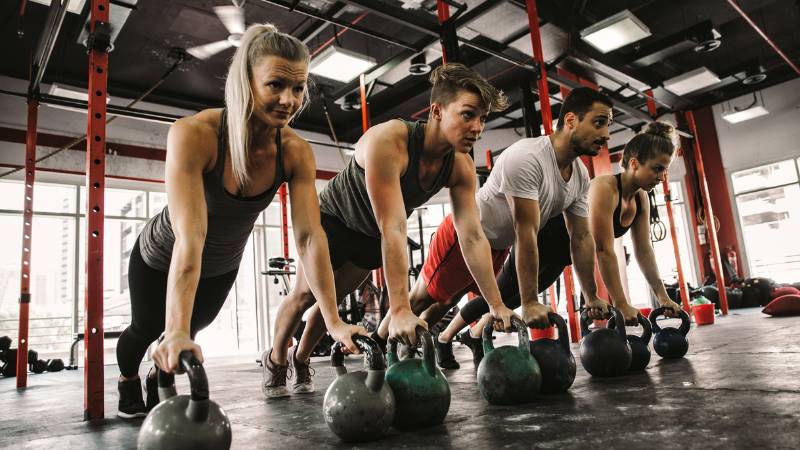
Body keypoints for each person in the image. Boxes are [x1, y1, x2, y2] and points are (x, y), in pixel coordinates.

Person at [115, 23, 364, 418]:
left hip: (221, 263)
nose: (289, 100)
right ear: (246, 81)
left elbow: (310, 237)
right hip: (164, 253)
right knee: (147, 327)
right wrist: (173, 328)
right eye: (276, 85)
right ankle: (128, 380)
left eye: (298, 88)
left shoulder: (295, 151)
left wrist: (333, 322)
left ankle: (156, 370)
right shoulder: (195, 134)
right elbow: (190, 235)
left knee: (192, 330)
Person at [264, 63, 517, 397]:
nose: (478, 127)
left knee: (336, 299)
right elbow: (394, 226)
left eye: (482, 119)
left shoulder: (460, 167)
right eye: (468, 115)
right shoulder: (390, 141)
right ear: (437, 111)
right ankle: (277, 360)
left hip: (370, 238)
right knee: (304, 296)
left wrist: (496, 303)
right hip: (333, 222)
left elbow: (471, 236)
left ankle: (301, 359)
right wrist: (398, 309)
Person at [417, 87, 617, 369]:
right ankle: (387, 349)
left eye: (609, 125)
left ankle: (410, 349)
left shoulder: (580, 176)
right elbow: (526, 232)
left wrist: (591, 294)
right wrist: (530, 301)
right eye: (599, 122)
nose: (606, 134)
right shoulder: (528, 157)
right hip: (466, 233)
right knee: (426, 300)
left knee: (449, 302)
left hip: (496, 246)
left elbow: (582, 237)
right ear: (570, 120)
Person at [588, 121, 682, 325]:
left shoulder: (640, 197)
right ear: (634, 164)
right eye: (657, 169)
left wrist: (663, 297)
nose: (662, 178)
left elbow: (644, 250)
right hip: (544, 249)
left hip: (564, 259)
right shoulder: (604, 188)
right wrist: (621, 303)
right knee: (507, 298)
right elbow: (603, 249)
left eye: (665, 170)